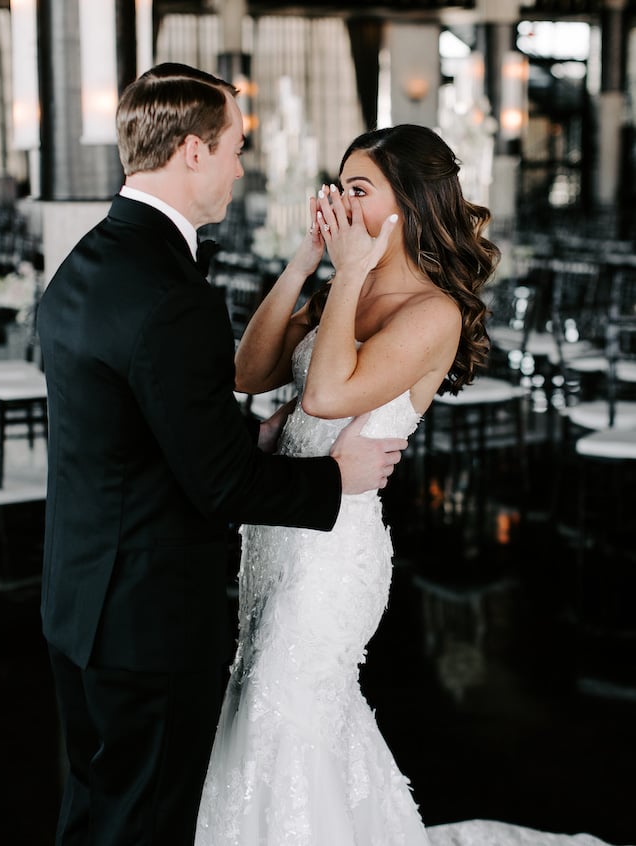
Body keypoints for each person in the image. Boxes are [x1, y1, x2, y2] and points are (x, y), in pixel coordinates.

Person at [36, 63, 407, 846]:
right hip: (147, 622)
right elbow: (217, 485)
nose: (244, 166)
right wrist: (333, 478)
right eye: (236, 146)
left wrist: (251, 435)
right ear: (193, 153)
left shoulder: (90, 262)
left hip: (80, 603)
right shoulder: (174, 294)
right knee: (146, 826)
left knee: (96, 811)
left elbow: (145, 426)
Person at [194, 123, 501, 845]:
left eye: (357, 189)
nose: (338, 201)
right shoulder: (340, 287)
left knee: (288, 703)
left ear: (411, 205)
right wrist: (306, 261)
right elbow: (249, 372)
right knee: (258, 698)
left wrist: (352, 273)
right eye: (338, 186)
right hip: (276, 531)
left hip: (334, 553)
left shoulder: (433, 312)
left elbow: (329, 394)